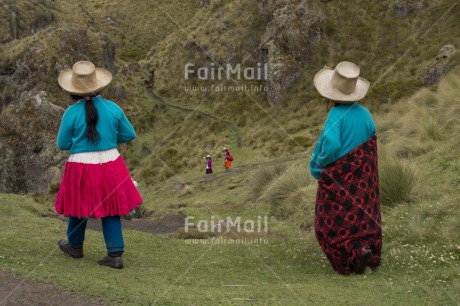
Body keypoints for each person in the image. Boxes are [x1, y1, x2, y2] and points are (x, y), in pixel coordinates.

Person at [55, 61, 143, 269]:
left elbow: (62, 144)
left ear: (72, 91)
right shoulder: (113, 108)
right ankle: (115, 254)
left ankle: (75, 246)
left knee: (78, 206)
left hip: (80, 164)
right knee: (111, 207)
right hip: (111, 161)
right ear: (99, 86)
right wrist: (109, 140)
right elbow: (129, 134)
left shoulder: (71, 113)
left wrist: (81, 143)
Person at [309, 61, 382, 275]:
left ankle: (350, 256)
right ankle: (362, 249)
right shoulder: (366, 113)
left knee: (329, 221)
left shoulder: (335, 116)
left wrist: (320, 164)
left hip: (339, 176)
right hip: (363, 178)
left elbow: (331, 146)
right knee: (360, 215)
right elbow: (371, 141)